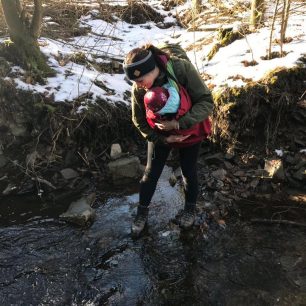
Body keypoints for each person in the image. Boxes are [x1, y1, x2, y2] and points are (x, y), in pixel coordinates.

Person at [123, 44, 213, 236]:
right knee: (151, 173)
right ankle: (142, 213)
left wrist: (179, 124)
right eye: (135, 81)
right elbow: (138, 119)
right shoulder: (138, 88)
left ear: (151, 70)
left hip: (189, 129)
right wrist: (161, 139)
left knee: (188, 171)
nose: (138, 85)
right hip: (160, 133)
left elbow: (206, 101)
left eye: (140, 80)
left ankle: (189, 210)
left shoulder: (181, 69)